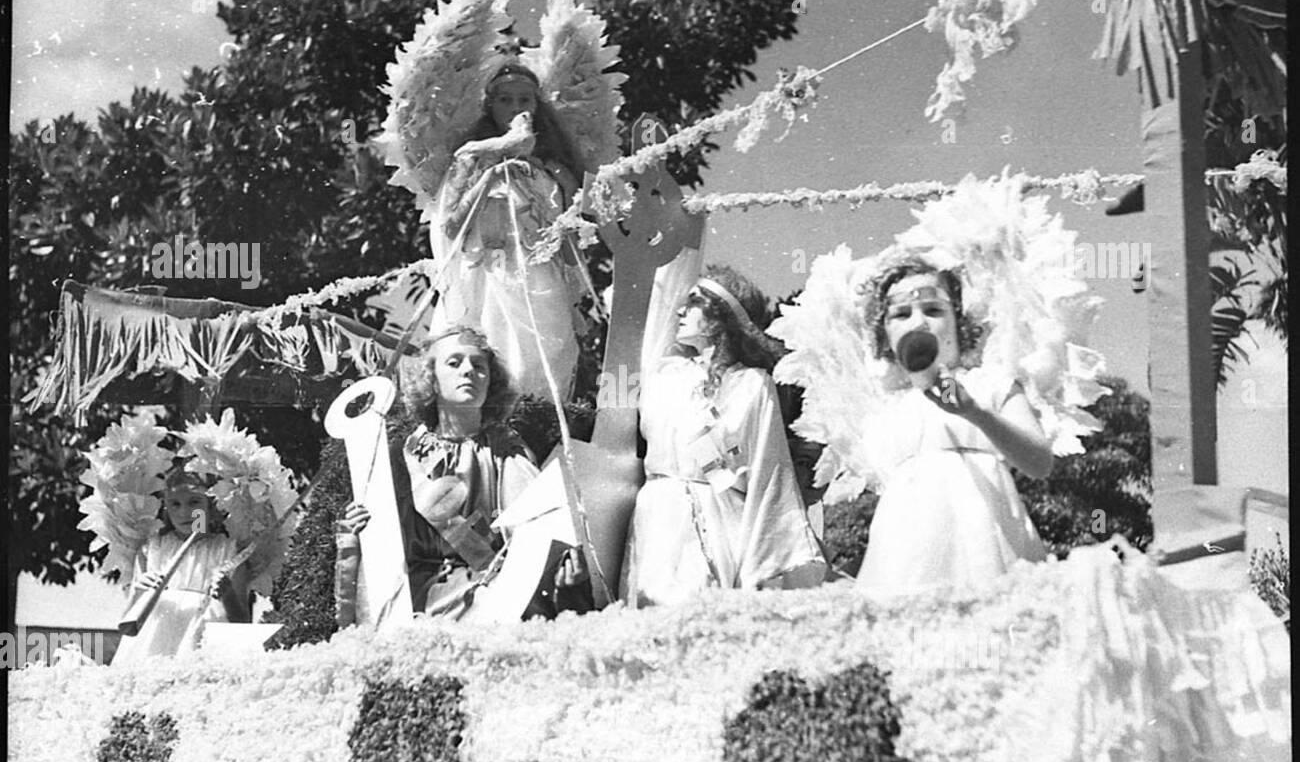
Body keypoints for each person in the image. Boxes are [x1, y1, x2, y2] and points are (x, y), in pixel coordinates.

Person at [338, 326, 587, 618]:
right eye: (454, 363)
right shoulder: (402, 458)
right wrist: (355, 532)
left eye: (479, 365)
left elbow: (537, 532)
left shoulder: (506, 450)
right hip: (428, 601)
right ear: (431, 378)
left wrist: (564, 575)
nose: (468, 371)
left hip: (501, 590)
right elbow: (385, 553)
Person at [621, 268, 827, 607]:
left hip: (717, 517)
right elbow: (655, 303)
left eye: (693, 304)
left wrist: (761, 559)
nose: (679, 312)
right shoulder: (665, 374)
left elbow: (768, 472)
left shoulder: (752, 384)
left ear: (721, 316)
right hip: (656, 514)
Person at [855, 260, 1051, 594]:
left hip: (991, 546)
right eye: (901, 314)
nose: (919, 322)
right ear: (885, 336)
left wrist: (974, 412)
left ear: (959, 323)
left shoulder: (990, 383)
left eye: (933, 310)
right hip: (904, 560)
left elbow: (1040, 463)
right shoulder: (884, 413)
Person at [431, 61, 591, 401]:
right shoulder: (471, 158)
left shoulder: (555, 169)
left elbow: (571, 239)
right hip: (489, 279)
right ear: (490, 106)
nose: (517, 108)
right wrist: (490, 172)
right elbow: (452, 225)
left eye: (525, 100)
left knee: (543, 373)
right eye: (506, 100)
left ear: (537, 106)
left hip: (540, 280)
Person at [112, 469, 251, 665]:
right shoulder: (152, 549)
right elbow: (128, 621)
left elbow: (242, 622)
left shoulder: (229, 551)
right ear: (166, 508)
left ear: (211, 507)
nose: (184, 512)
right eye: (175, 504)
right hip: (154, 646)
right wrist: (139, 591)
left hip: (204, 645)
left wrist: (227, 595)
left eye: (194, 502)